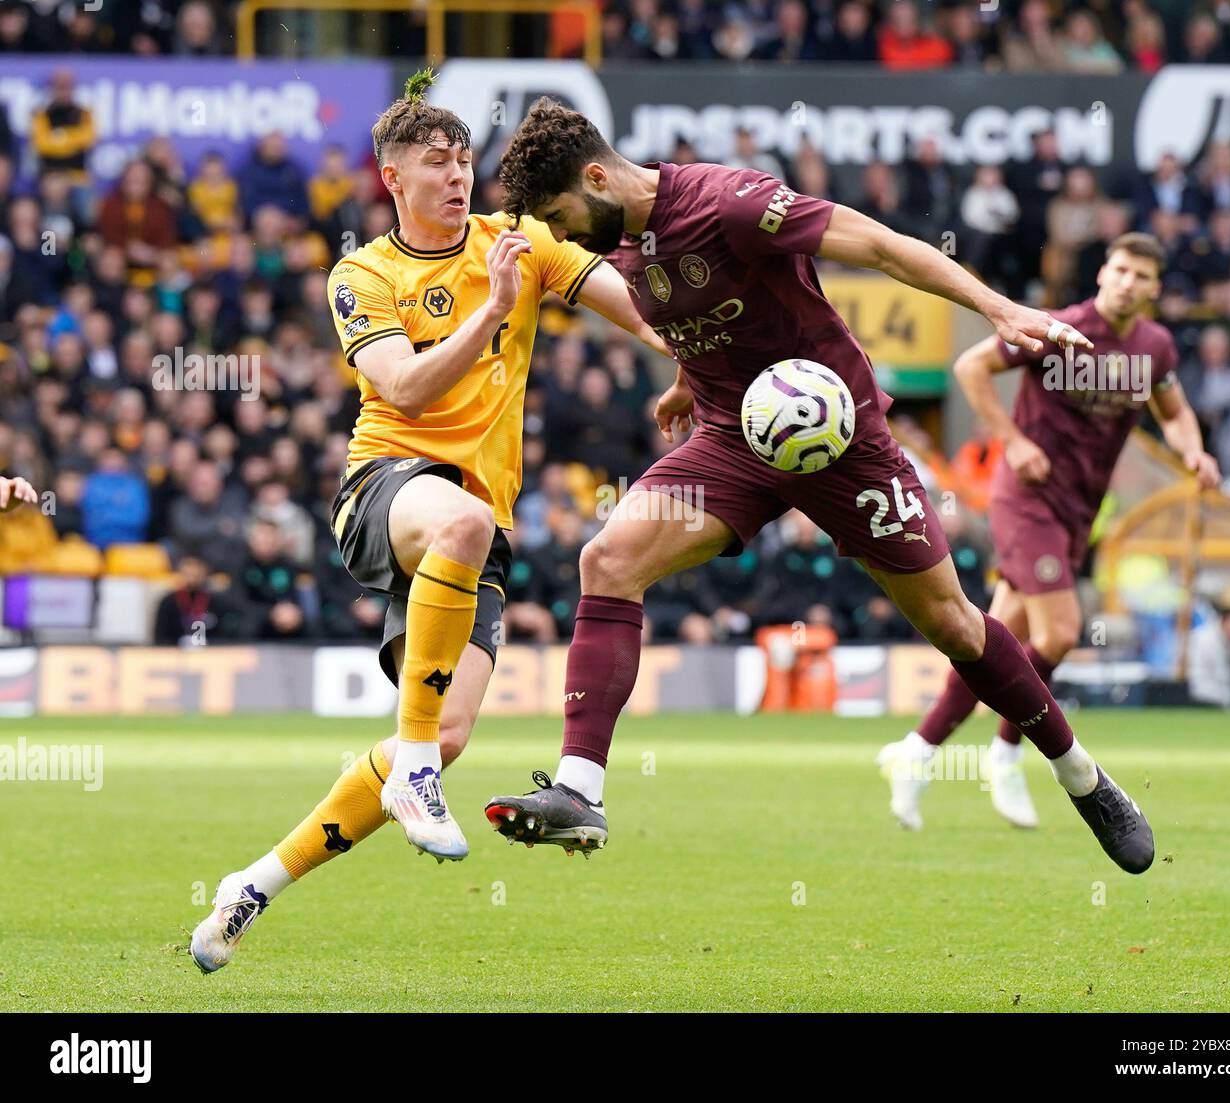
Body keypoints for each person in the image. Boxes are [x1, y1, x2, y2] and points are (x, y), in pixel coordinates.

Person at [482, 97, 1156, 877]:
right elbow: (699, 312)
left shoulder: (727, 203)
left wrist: (1000, 308)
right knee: (607, 560)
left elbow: (878, 245)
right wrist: (682, 379)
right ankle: (579, 790)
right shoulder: (629, 243)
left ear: (597, 176)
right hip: (731, 441)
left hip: (841, 441)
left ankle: (1082, 776)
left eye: (560, 217)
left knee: (956, 625)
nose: (560, 237)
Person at [190, 71, 664, 972]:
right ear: (392, 179)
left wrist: (705, 356)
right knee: (459, 529)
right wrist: (490, 307)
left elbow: (635, 310)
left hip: (475, 527)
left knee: (447, 736)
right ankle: (410, 769)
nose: (457, 175)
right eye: (436, 162)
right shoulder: (362, 273)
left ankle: (252, 884)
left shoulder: (517, 239)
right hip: (385, 488)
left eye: (464, 159)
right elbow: (403, 385)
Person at [878, 233, 1220, 829]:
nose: (1126, 282)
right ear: (1102, 275)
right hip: (1027, 499)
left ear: (1155, 289)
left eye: (1140, 276)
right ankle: (1007, 752)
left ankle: (918, 750)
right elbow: (971, 365)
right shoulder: (1058, 328)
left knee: (992, 642)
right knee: (1060, 632)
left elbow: (1175, 411)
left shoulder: (1155, 348)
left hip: (1078, 512)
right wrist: (1013, 441)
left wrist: (1195, 452)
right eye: (1118, 269)